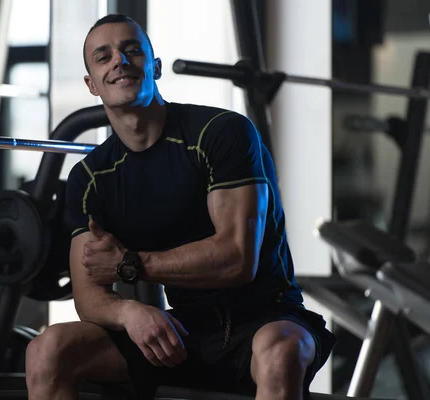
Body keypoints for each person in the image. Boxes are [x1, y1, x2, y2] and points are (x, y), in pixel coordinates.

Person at [25, 13, 336, 400]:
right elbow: (88, 295)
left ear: (154, 67)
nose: (119, 61)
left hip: (269, 317)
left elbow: (238, 259)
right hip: (185, 330)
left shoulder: (220, 133)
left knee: (280, 351)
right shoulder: (90, 177)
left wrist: (131, 264)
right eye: (103, 57)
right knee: (48, 350)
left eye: (131, 51)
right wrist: (129, 313)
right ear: (91, 84)